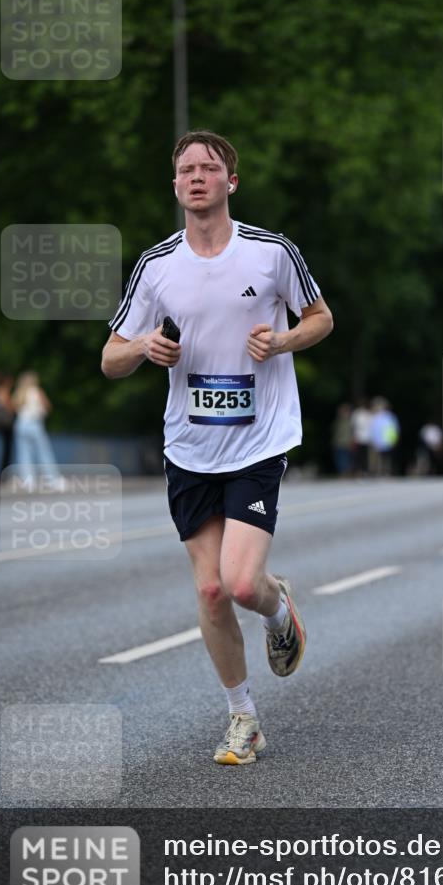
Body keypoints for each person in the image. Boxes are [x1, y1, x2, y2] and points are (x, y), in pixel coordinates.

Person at [101, 130, 333, 765]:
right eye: (186, 169)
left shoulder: (271, 252)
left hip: (260, 439)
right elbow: (110, 357)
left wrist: (282, 342)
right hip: (190, 447)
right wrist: (144, 347)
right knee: (209, 592)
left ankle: (276, 604)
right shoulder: (156, 267)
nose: (197, 177)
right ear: (175, 186)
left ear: (231, 181)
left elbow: (321, 318)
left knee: (237, 582)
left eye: (209, 168)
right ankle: (244, 720)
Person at [12, 372, 63, 490]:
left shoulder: (19, 393)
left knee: (24, 454)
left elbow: (14, 408)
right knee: (44, 452)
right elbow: (48, 406)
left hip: (20, 424)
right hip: (34, 424)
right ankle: (53, 480)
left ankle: (28, 481)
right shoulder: (37, 391)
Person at [368, 397, 400, 476]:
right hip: (378, 441)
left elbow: (395, 428)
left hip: (387, 440)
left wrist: (394, 439)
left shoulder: (389, 416)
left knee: (387, 458)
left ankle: (386, 471)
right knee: (378, 458)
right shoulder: (375, 417)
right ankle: (379, 471)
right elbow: (373, 429)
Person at [331, 403, 353, 476]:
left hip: (346, 443)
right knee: (339, 458)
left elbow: (351, 433)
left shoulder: (350, 422)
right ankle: (342, 472)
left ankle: (346, 471)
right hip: (338, 443)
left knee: (346, 458)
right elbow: (336, 433)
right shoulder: (338, 421)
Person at [350, 399, 371, 475]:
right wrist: (353, 437)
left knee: (365, 455)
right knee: (358, 455)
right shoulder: (356, 414)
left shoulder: (368, 414)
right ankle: (358, 470)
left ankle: (364, 470)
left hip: (367, 438)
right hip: (358, 437)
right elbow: (353, 426)